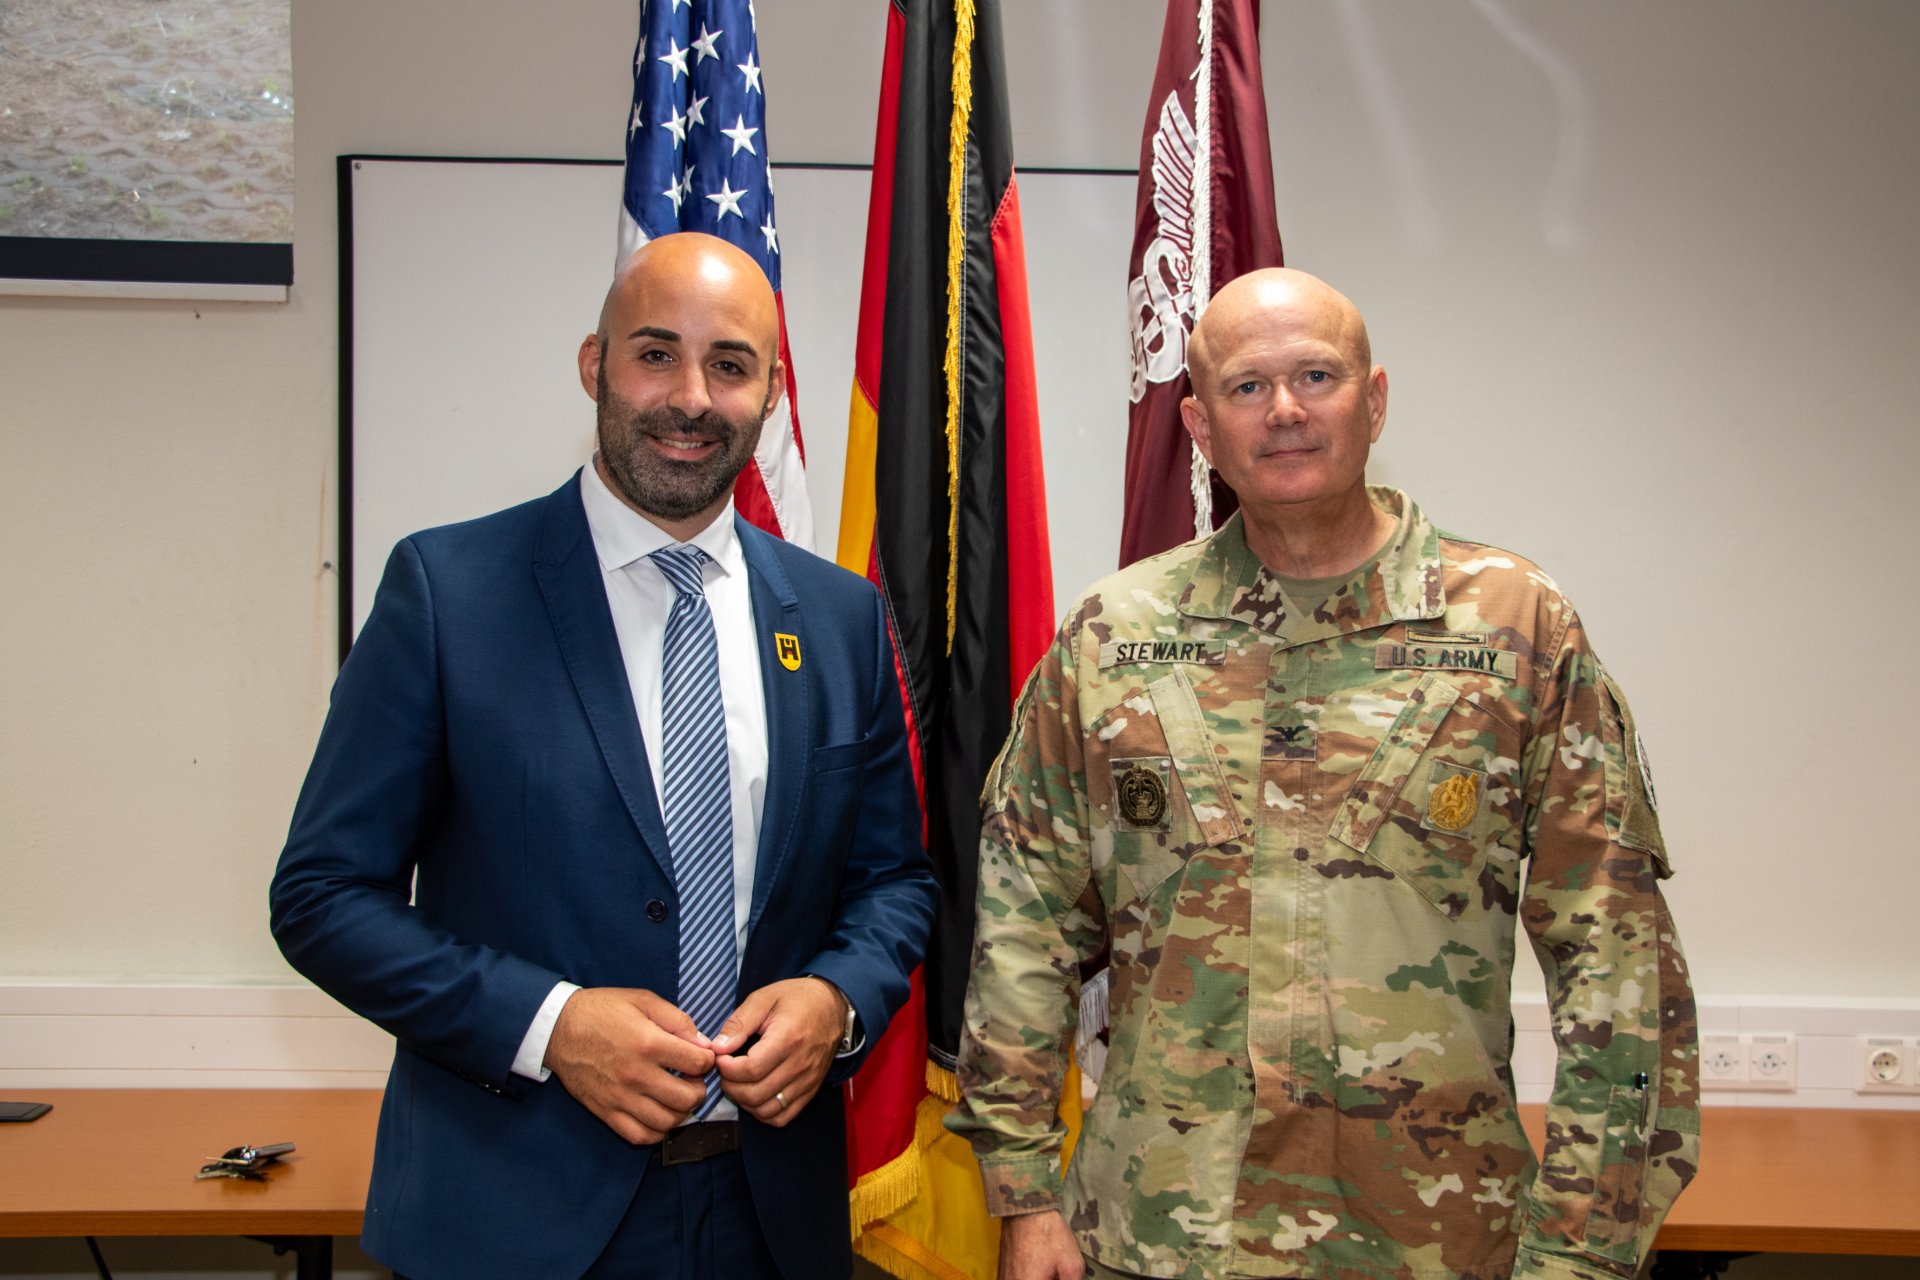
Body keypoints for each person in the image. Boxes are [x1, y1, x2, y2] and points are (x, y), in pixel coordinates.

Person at [949, 267, 1698, 1280]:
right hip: (1163, 1235)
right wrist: (1026, 1189)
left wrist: (1583, 1245)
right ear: (1200, 426)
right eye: (1248, 387)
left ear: (1375, 399)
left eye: (1317, 375)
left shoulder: (1513, 627)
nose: (1287, 410)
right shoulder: (1112, 638)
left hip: (1433, 1239)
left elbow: (1618, 964)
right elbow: (1024, 925)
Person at [271, 232, 937, 1280]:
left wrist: (836, 997)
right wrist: (550, 1023)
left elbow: (894, 878)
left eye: (730, 365)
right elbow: (321, 895)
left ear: (770, 395)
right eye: (655, 353)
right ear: (595, 364)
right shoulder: (450, 591)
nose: (690, 397)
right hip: (513, 1214)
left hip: (772, 1219)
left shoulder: (842, 617)